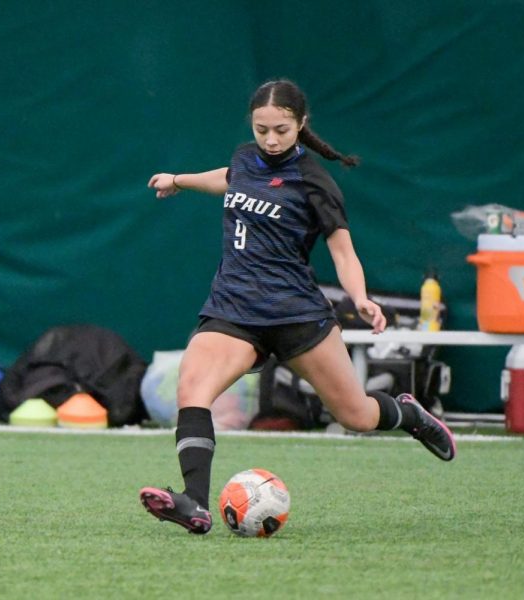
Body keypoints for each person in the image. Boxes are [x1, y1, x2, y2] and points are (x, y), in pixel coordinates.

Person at [139, 79, 456, 535]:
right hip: (233, 307)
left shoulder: (314, 182)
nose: (270, 139)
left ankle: (409, 414)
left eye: (281, 130)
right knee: (193, 391)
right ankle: (194, 503)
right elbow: (228, 180)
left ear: (301, 124)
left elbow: (343, 253)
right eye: (262, 128)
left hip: (296, 315)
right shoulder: (246, 158)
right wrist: (179, 181)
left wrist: (361, 299)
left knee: (357, 416)